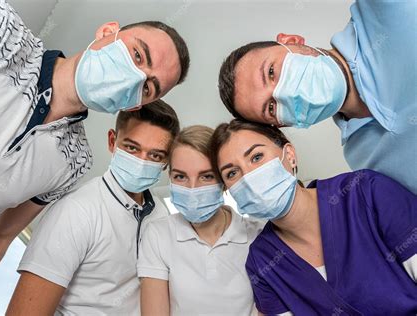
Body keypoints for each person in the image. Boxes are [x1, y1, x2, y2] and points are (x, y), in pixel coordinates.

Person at [0, 0, 190, 311]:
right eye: (137, 55)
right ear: (107, 32)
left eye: (148, 88)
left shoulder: (73, 161)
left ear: (133, 105)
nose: (134, 78)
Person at [210, 119, 417, 315]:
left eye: (256, 157)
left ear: (289, 154)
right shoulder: (263, 261)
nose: (248, 176)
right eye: (232, 173)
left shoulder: (366, 193)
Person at [217, 0, 417, 195]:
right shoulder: (361, 158)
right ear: (283, 124)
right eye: (270, 107)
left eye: (271, 72)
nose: (284, 93)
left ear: (291, 41)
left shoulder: (385, 7)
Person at [6, 100, 179, 315]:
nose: (142, 162)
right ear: (112, 141)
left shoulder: (160, 213)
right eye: (132, 148)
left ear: (166, 161)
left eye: (155, 155)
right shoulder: (76, 211)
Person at [138, 125, 264, 316]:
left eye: (206, 176)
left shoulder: (258, 235)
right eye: (180, 176)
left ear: (223, 182)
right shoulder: (158, 234)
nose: (192, 189)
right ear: (170, 178)